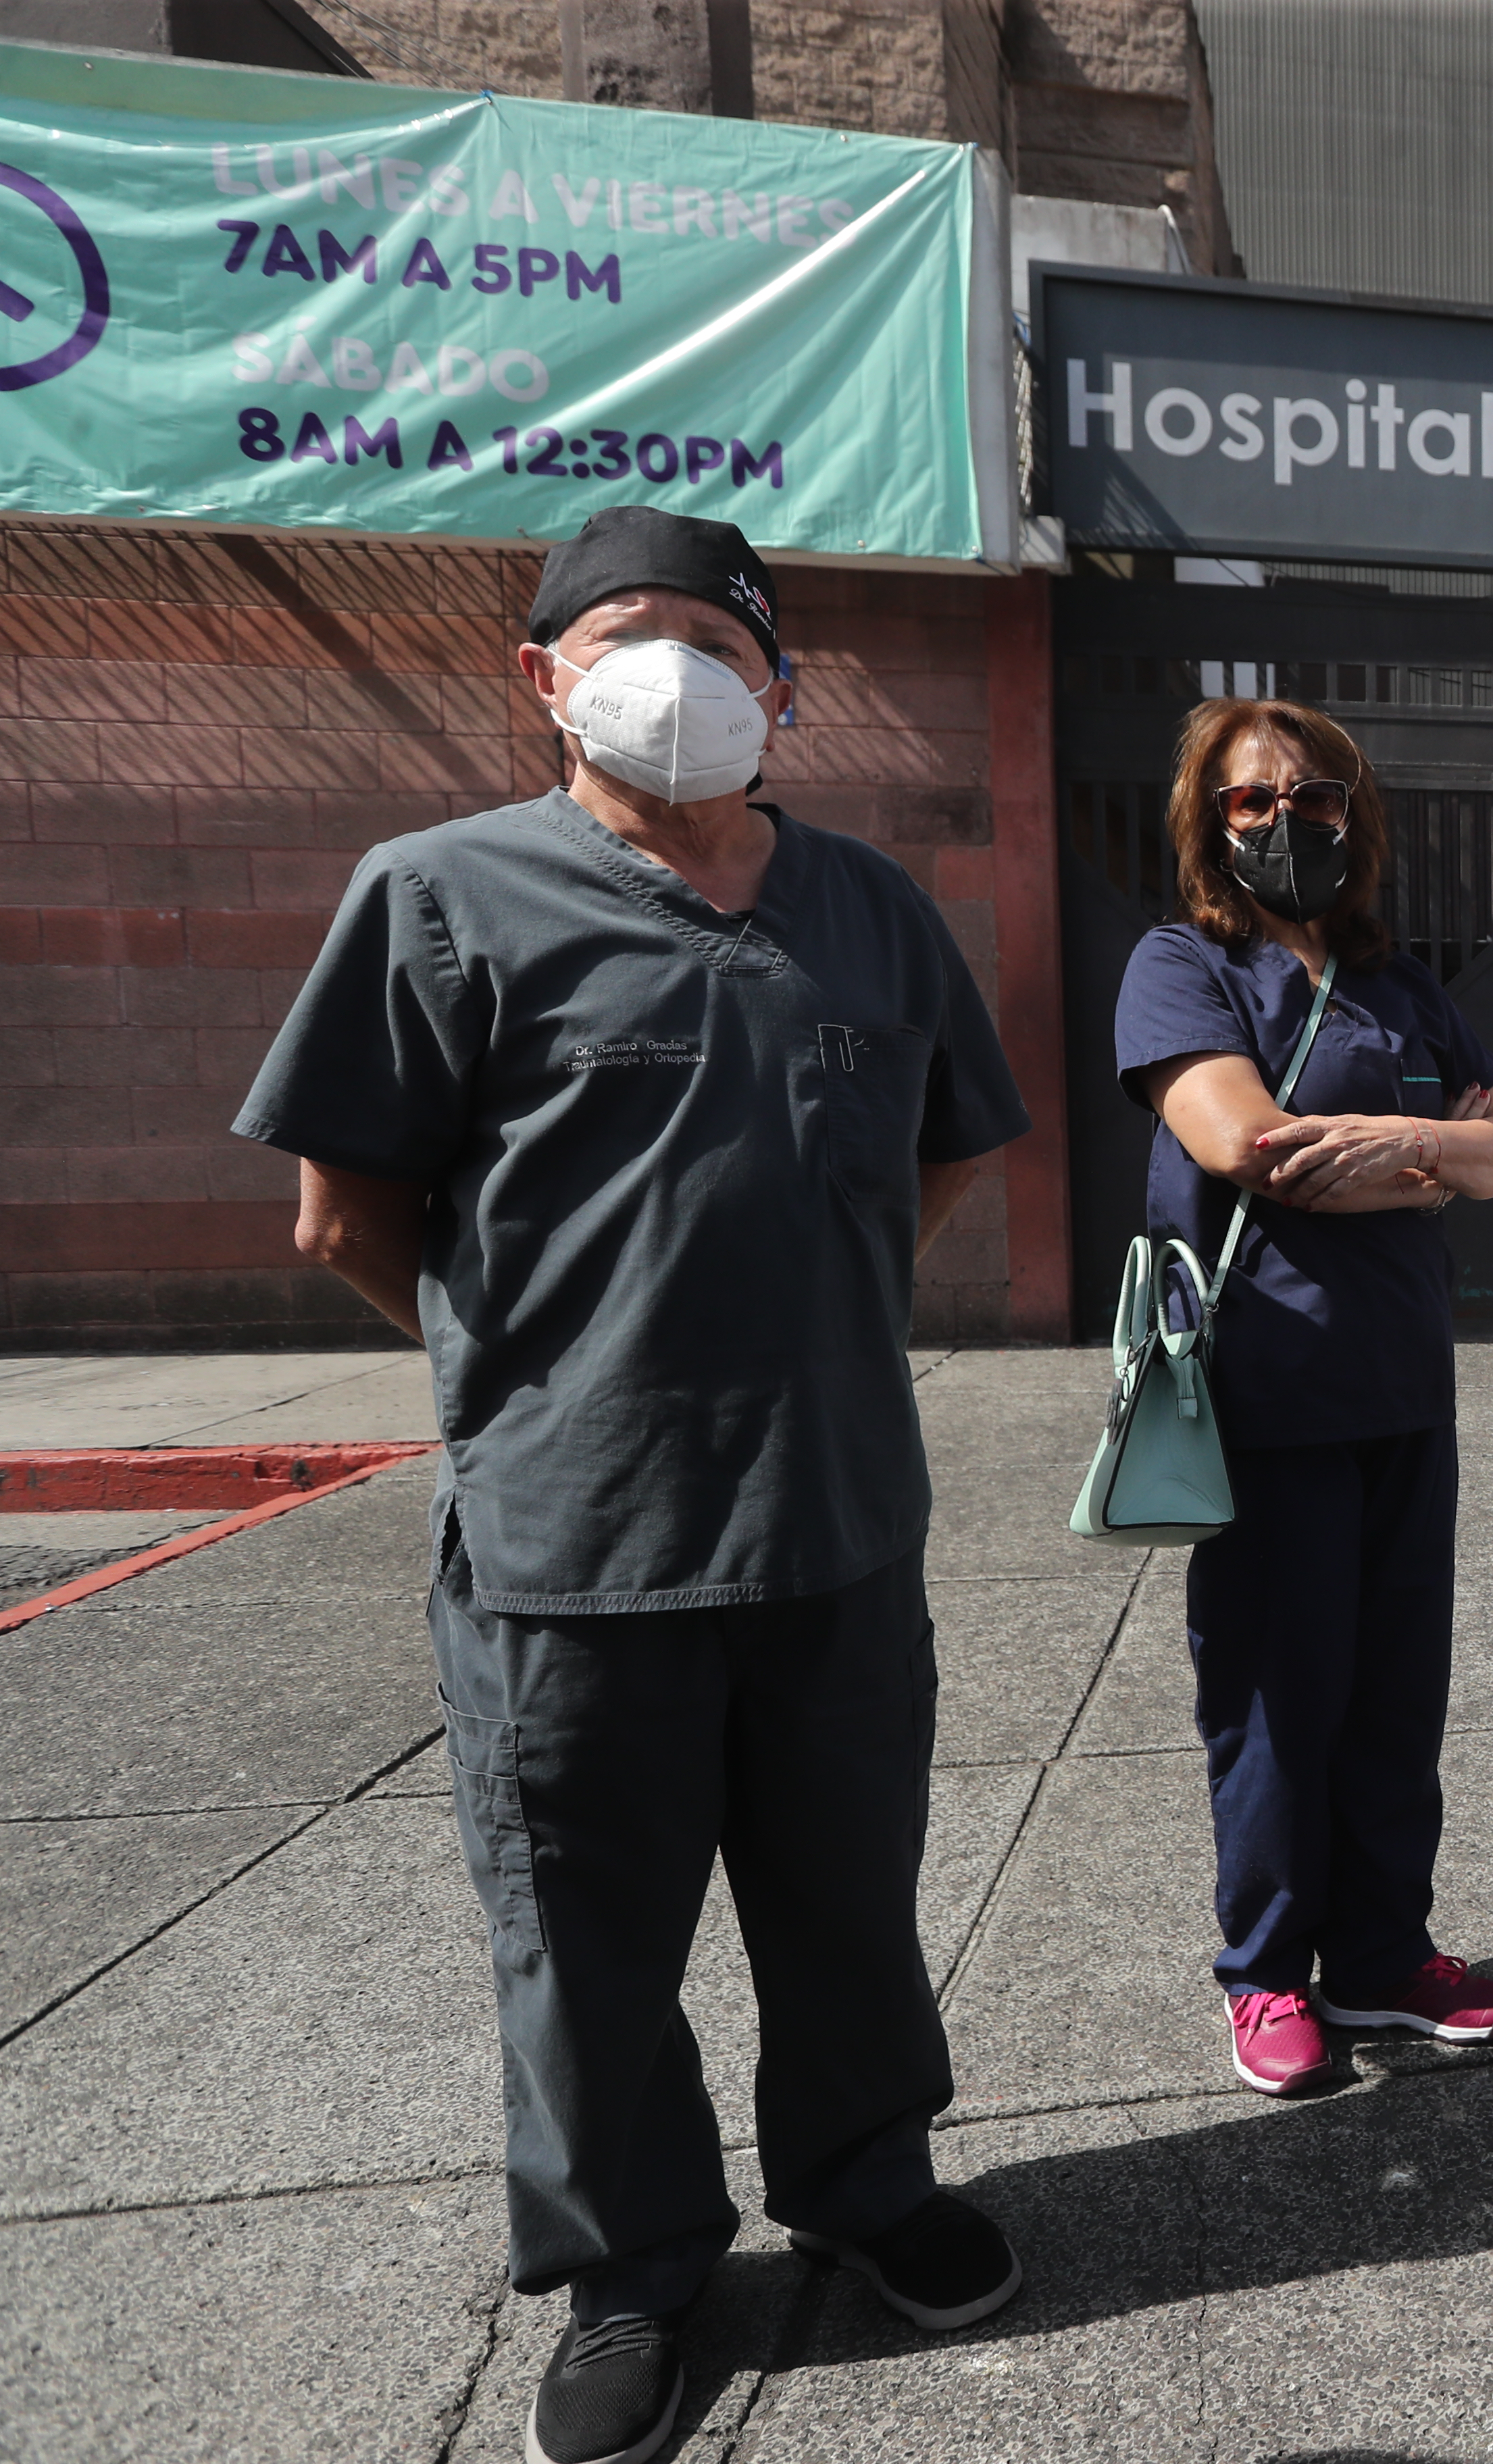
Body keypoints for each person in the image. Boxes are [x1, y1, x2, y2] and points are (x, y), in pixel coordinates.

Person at [234, 507, 1034, 2464]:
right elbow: (350, 1213)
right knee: (587, 1942)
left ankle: (863, 2183)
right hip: (573, 1538)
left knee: (847, 1900)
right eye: (620, 633)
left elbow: (940, 1161)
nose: (665, 666)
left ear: (775, 686)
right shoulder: (437, 896)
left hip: (836, 1518)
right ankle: (635, 2270)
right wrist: (554, 1362)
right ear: (542, 678)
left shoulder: (870, 910)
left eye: (711, 636)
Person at [1114, 697, 1493, 2099]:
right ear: (1209, 822)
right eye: (1252, 801)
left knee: (1396, 1697)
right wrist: (1440, 1160)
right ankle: (1266, 1973)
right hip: (1270, 1398)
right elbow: (1247, 1141)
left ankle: (1380, 1958)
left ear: (1354, 819)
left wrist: (1406, 1142)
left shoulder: (1403, 987)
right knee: (1278, 1699)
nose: (1286, 821)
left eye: (1314, 798)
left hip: (1408, 1396)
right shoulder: (1184, 967)